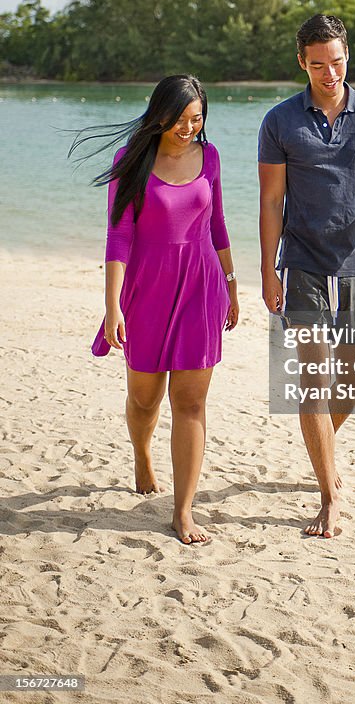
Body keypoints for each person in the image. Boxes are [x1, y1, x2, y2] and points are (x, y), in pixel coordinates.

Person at [258, 14, 355, 538]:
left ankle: (319, 442)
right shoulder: (279, 122)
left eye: (338, 62)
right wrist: (268, 268)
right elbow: (271, 199)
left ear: (349, 55)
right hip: (302, 265)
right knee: (313, 383)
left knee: (352, 381)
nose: (330, 73)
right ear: (302, 61)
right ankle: (330, 493)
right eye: (318, 64)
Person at [75, 75, 239, 546]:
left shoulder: (210, 157)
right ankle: (142, 454)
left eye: (198, 118)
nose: (189, 128)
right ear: (159, 114)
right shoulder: (131, 161)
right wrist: (112, 307)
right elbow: (118, 237)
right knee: (145, 398)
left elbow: (218, 224)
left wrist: (231, 284)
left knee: (190, 402)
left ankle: (183, 511)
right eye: (181, 119)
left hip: (201, 288)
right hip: (146, 290)